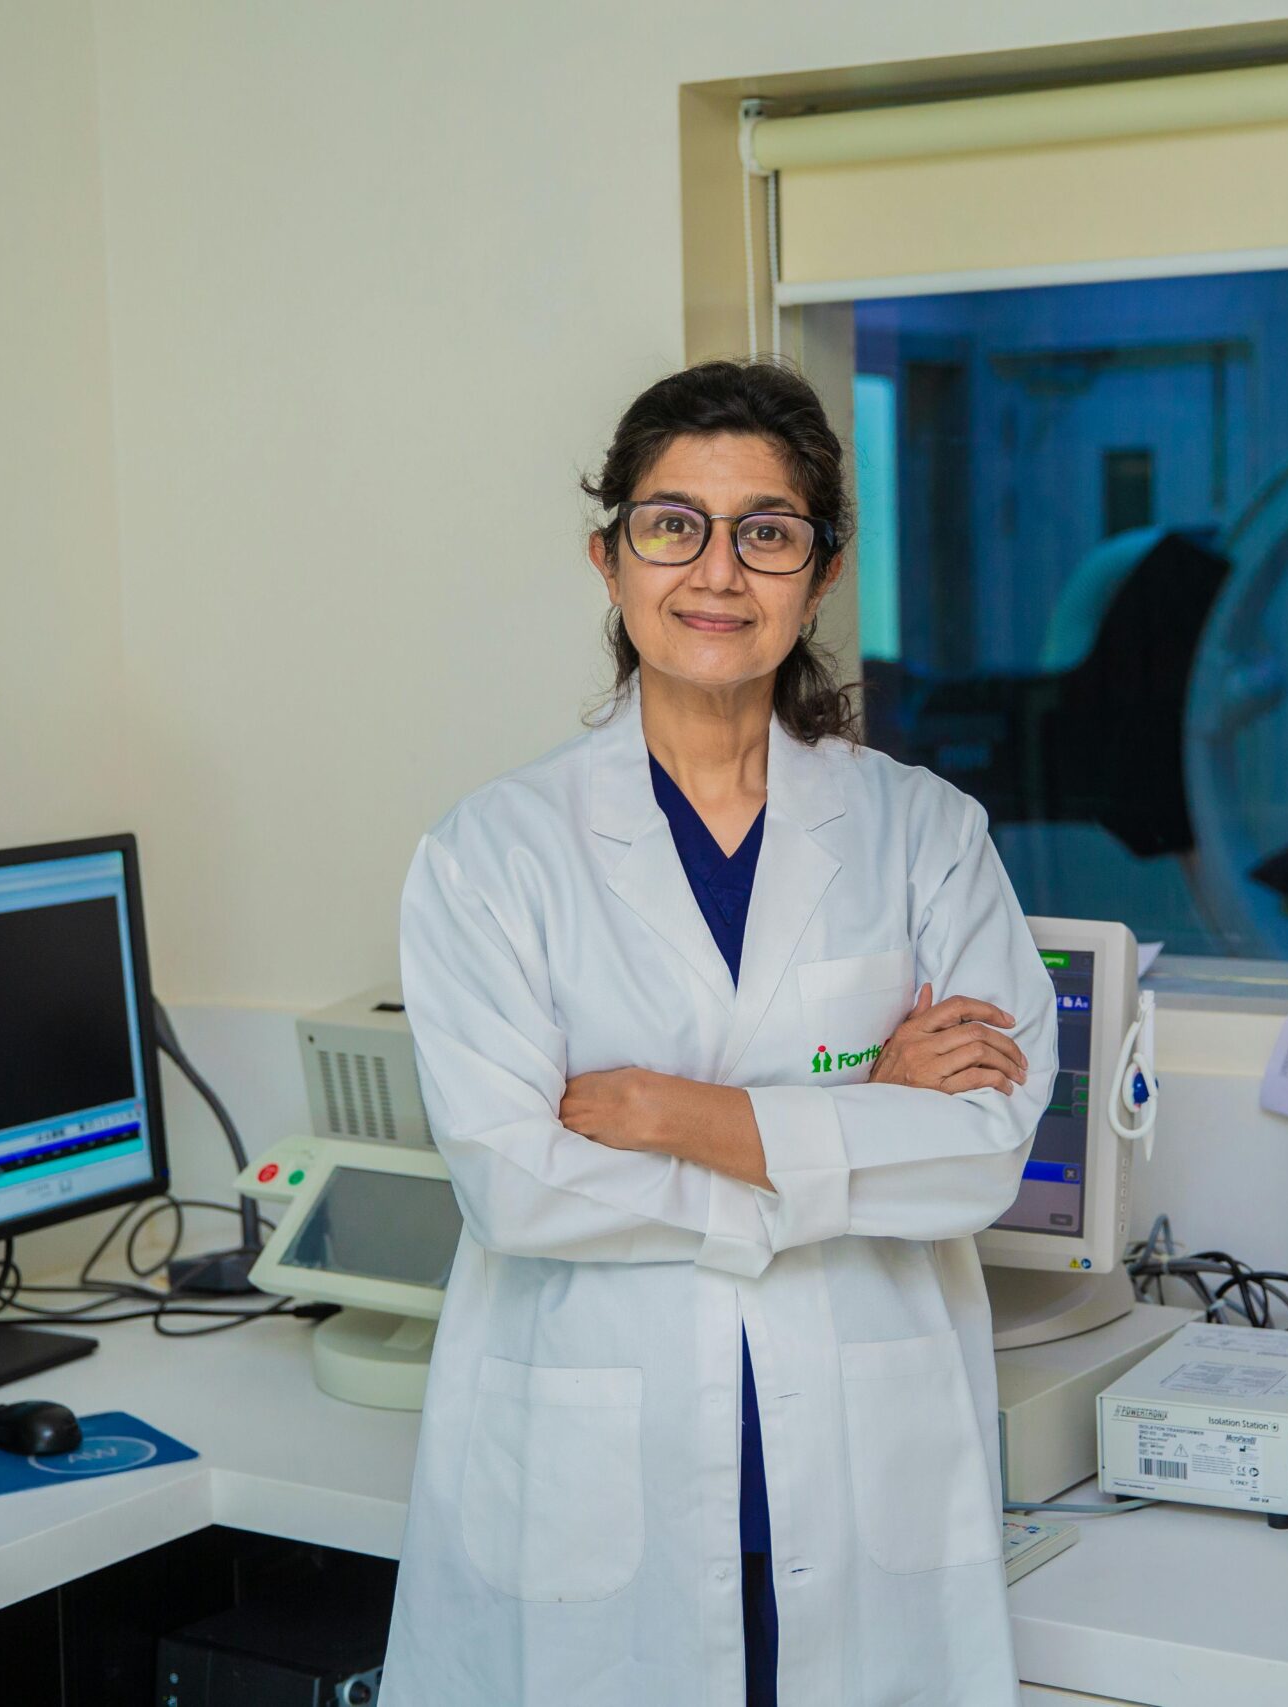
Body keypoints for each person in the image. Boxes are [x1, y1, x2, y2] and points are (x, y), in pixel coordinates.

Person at [378, 359, 1057, 1707]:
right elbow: (518, 1187)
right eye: (671, 524)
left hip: (863, 1469)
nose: (716, 572)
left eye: (768, 532)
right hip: (596, 1473)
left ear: (818, 574)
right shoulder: (491, 856)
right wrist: (858, 1114)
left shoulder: (924, 835)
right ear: (609, 557)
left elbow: (983, 1152)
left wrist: (691, 1115)